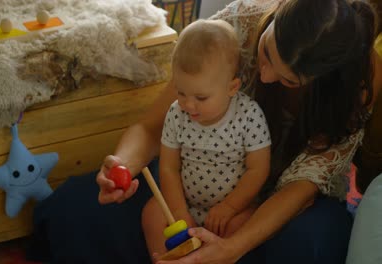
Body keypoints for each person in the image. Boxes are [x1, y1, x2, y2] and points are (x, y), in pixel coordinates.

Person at [27, 0, 381, 263]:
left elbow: (300, 191)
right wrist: (122, 167)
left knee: (309, 247)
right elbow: (153, 129)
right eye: (267, 52)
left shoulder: (357, 81)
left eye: (289, 80)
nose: (266, 76)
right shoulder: (232, 30)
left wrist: (230, 248)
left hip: (282, 201)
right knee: (75, 208)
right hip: (192, 181)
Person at [142, 19, 271, 258]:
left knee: (244, 225)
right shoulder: (176, 113)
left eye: (201, 97)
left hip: (231, 210)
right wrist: (180, 211)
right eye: (181, 92)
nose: (188, 104)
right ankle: (167, 258)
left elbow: (258, 169)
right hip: (185, 205)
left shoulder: (249, 115)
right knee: (152, 213)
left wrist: (230, 207)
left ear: (232, 88)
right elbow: (169, 167)